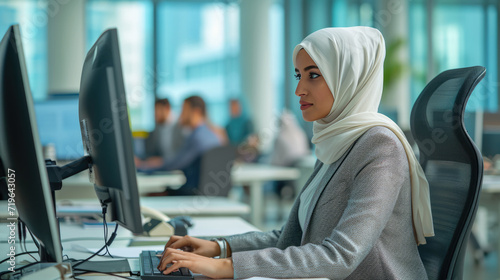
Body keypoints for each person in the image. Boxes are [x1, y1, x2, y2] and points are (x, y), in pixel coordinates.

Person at [156, 27, 434, 279]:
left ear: (346, 78)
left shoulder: (380, 146)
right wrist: (219, 247)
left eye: (313, 75)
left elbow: (341, 255)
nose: (299, 89)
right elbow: (291, 236)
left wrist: (226, 267)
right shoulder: (336, 141)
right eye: (298, 76)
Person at [136, 95, 221, 195]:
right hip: (209, 193)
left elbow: (176, 163)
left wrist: (143, 166)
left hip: (193, 194)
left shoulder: (197, 138)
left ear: (196, 111)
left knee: (153, 194)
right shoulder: (212, 135)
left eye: (184, 110)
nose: (180, 115)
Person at [142, 98, 183, 162]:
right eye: (155, 111)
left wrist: (161, 161)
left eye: (158, 110)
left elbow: (182, 155)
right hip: (163, 165)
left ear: (167, 109)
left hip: (176, 164)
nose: (156, 114)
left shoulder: (180, 126)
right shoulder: (158, 128)